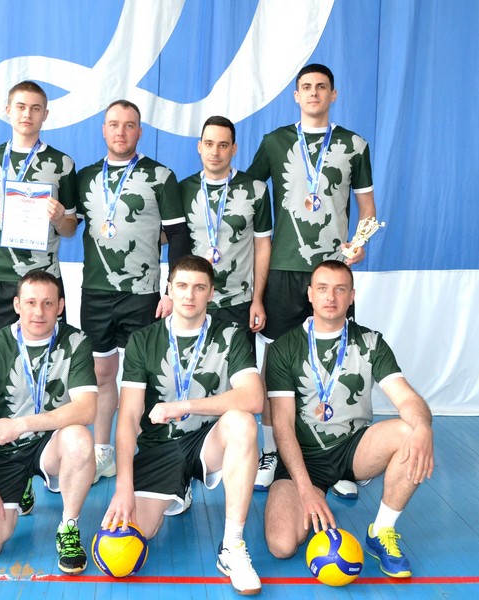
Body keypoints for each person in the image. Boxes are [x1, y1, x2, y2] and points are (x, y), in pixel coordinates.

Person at [246, 64, 377, 498]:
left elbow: (368, 210)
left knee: (337, 358)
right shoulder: (275, 142)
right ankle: (271, 452)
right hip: (283, 270)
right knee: (276, 363)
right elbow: (247, 197)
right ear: (296, 96)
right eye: (306, 87)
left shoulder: (354, 144)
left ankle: (341, 456)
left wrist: (359, 244)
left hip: (333, 272)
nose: (314, 93)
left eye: (322, 87)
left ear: (333, 95)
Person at [102, 255, 265, 595]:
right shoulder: (143, 340)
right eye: (182, 286)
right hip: (160, 448)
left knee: (242, 422)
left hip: (208, 442)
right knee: (128, 540)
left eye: (199, 287)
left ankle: (232, 546)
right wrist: (123, 486)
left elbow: (253, 398)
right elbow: (128, 417)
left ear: (211, 292)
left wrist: (184, 406)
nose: (190, 295)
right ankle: (179, 488)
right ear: (169, 289)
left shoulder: (231, 335)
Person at [264, 260, 434, 578]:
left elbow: (407, 398)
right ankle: (314, 493)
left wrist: (423, 426)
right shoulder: (284, 348)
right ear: (310, 294)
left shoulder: (370, 342)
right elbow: (283, 427)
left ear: (352, 296)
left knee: (409, 430)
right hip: (304, 457)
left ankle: (381, 531)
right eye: (323, 289)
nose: (331, 297)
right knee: (282, 545)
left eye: (340, 289)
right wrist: (305, 489)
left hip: (354, 449)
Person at [0, 80, 79, 495]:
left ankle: (36, 458)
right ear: (7, 111)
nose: (27, 114)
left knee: (45, 369)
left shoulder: (62, 163)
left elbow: (70, 228)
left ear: (46, 114)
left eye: (35, 108)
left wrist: (60, 216)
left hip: (43, 280)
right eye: (21, 107)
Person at [76, 99, 191, 483]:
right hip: (95, 292)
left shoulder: (160, 176)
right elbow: (67, 226)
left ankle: (150, 456)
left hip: (142, 293)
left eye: (129, 125)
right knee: (101, 373)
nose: (121, 131)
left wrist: (171, 289)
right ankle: (103, 452)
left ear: (140, 131)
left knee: (145, 377)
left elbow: (177, 235)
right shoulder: (85, 177)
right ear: (103, 130)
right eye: (114, 124)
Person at [0, 270, 98, 574]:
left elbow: (87, 409)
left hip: (50, 443)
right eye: (31, 302)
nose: (39, 312)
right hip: (5, 452)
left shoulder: (76, 341)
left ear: (60, 306)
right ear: (17, 305)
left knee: (80, 438)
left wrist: (22, 424)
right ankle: (21, 486)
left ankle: (68, 526)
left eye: (48, 303)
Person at [179, 115, 272, 347]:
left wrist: (257, 300)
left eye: (223, 145)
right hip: (193, 300)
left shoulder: (256, 189)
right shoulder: (183, 189)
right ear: (199, 147)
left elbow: (262, 246)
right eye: (209, 144)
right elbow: (170, 238)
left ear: (234, 149)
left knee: (241, 368)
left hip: (239, 302)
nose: (215, 152)